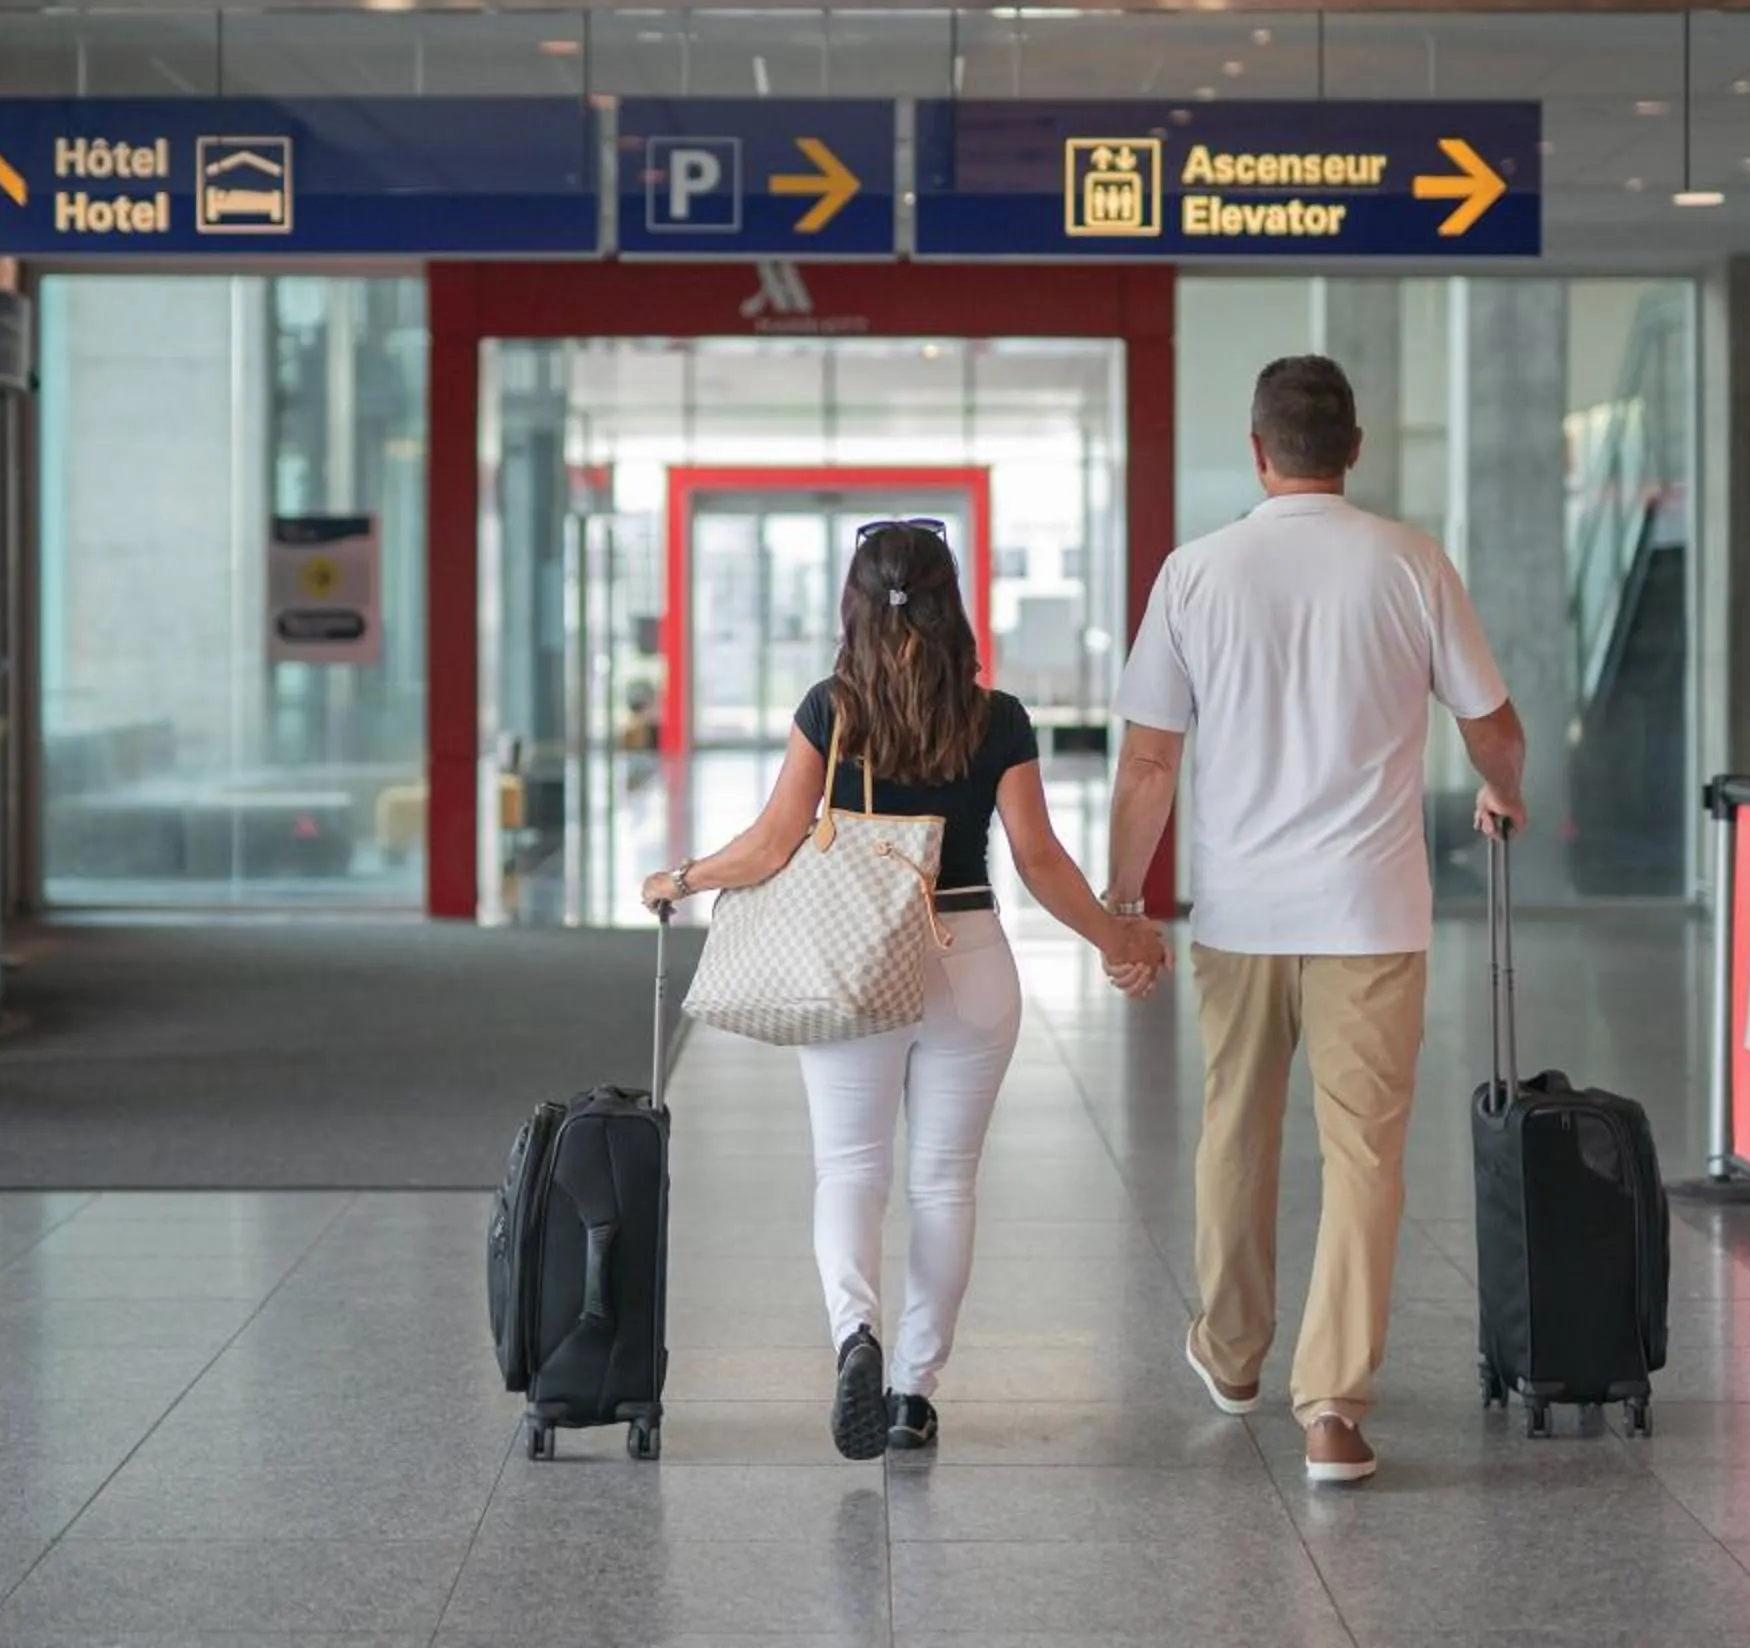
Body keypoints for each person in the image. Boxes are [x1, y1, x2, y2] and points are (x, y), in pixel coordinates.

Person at [645, 518, 1168, 1462]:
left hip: (856, 963)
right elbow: (1040, 859)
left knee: (851, 1170)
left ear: (855, 605)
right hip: (970, 959)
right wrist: (1114, 937)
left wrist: (681, 878)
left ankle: (857, 1334)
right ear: (949, 603)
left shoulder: (832, 710)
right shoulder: (997, 717)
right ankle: (912, 1395)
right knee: (945, 1182)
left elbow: (772, 844)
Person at [1102, 356, 1527, 1486]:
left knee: (1235, 1129)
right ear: (1354, 447)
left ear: (1258, 451)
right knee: (1365, 1157)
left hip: (1241, 912)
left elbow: (1148, 761)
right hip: (1371, 910)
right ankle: (1333, 1406)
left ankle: (1233, 1352)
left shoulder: (1196, 572)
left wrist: (1124, 903)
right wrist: (1503, 790)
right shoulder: (1411, 561)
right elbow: (1491, 721)